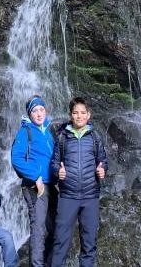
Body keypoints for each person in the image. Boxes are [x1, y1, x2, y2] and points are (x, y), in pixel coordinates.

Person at [49, 97, 108, 267]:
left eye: (83, 113)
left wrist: (102, 169)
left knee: (89, 244)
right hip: (67, 197)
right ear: (70, 115)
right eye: (75, 113)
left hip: (91, 197)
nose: (79, 116)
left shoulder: (95, 137)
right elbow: (54, 163)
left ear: (88, 115)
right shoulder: (62, 138)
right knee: (60, 243)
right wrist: (57, 171)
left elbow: (103, 161)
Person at [11, 94, 58, 267]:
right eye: (35, 111)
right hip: (35, 187)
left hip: (52, 185)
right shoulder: (26, 131)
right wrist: (36, 176)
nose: (39, 114)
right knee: (38, 229)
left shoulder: (48, 132)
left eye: (41, 110)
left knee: (57, 229)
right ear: (30, 114)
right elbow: (16, 159)